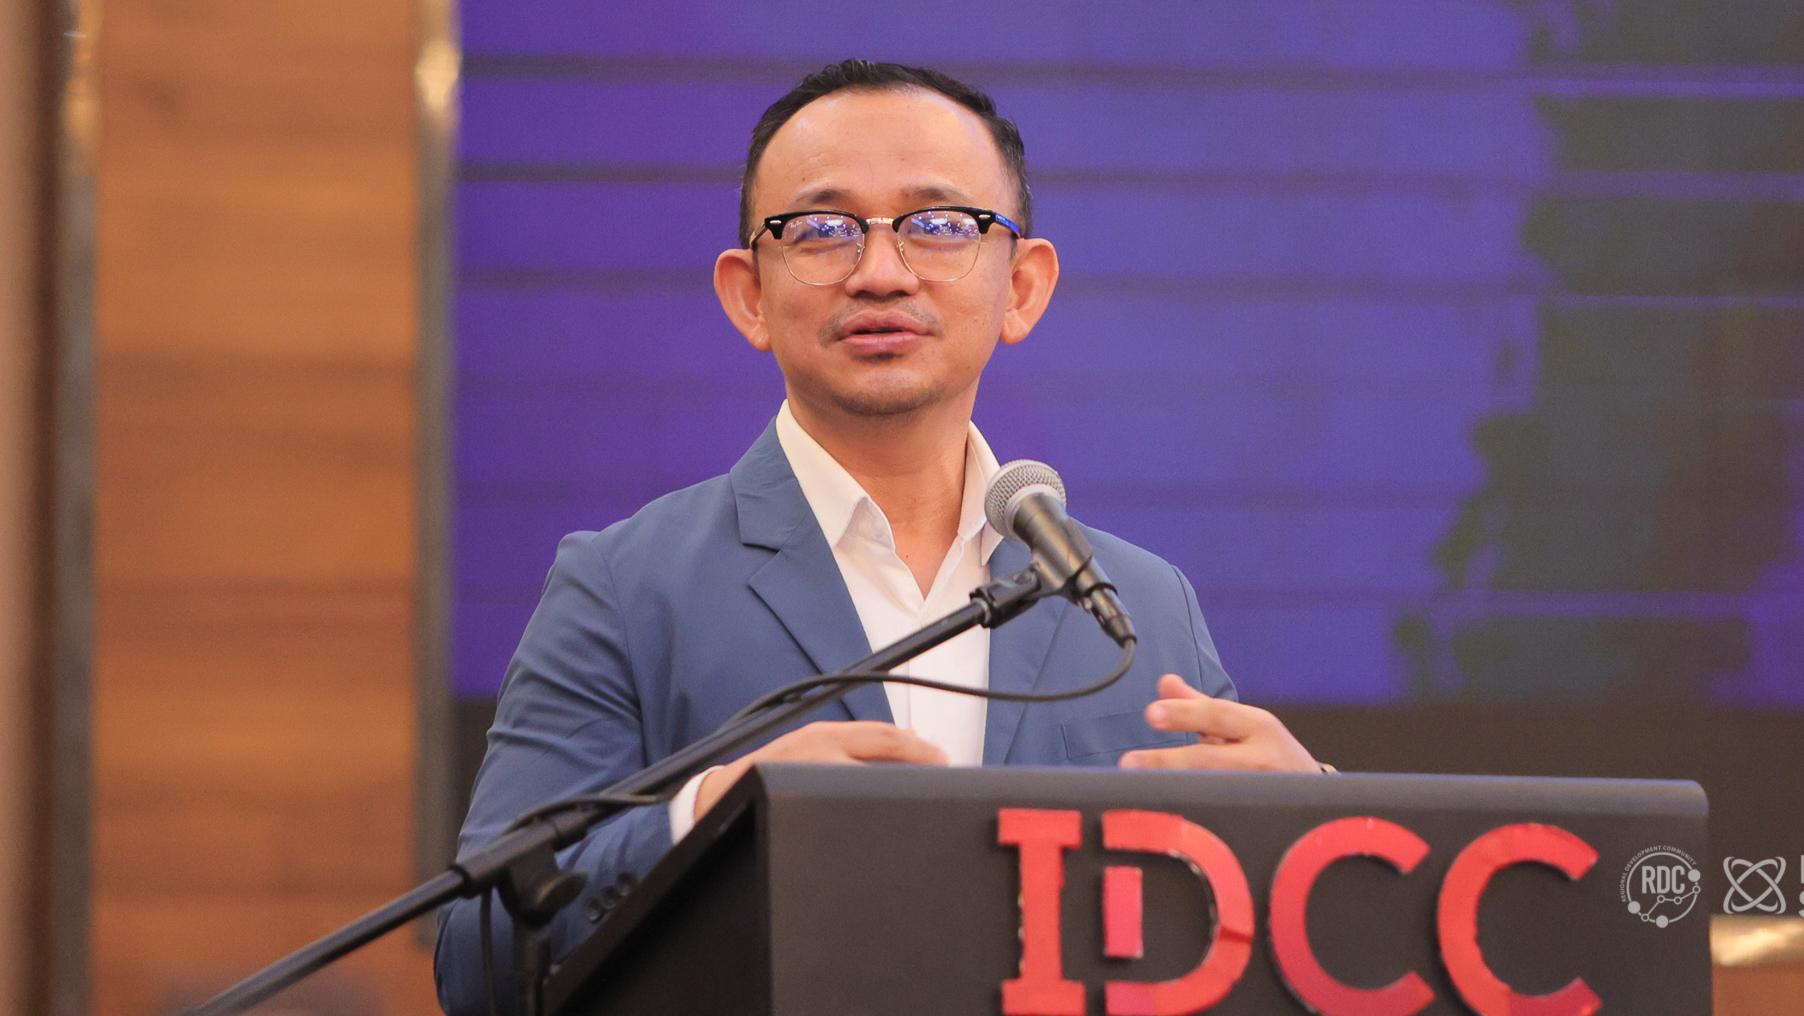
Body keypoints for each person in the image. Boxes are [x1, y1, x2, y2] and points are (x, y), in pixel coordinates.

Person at [433, 60, 1322, 1015]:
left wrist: (1318, 822)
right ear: (750, 295)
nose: (882, 273)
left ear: (1022, 286)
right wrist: (709, 817)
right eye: (822, 230)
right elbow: (479, 962)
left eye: (940, 225)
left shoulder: (1140, 603)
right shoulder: (623, 585)